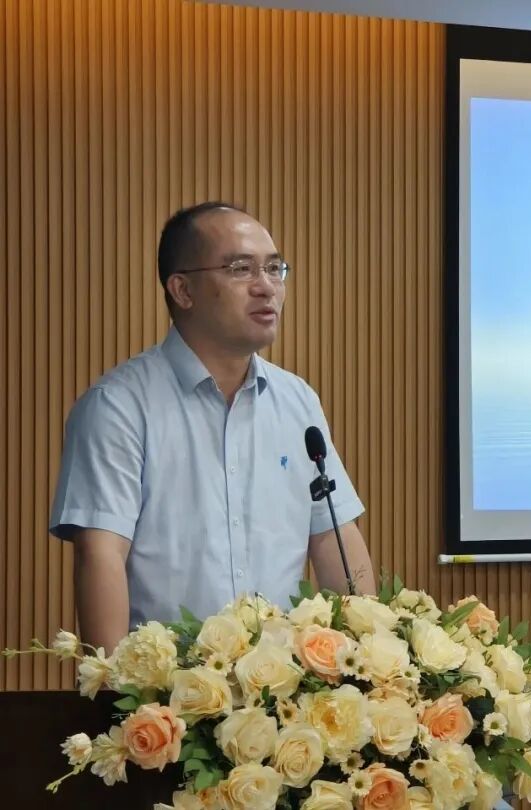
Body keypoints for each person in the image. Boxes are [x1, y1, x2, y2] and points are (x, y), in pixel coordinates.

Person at [49, 202, 375, 652]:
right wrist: (112, 686)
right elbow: (100, 553)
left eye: (275, 269)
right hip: (169, 687)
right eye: (241, 269)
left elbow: (333, 536)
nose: (267, 287)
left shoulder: (297, 400)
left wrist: (368, 657)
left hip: (284, 684)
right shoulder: (118, 406)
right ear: (183, 290)